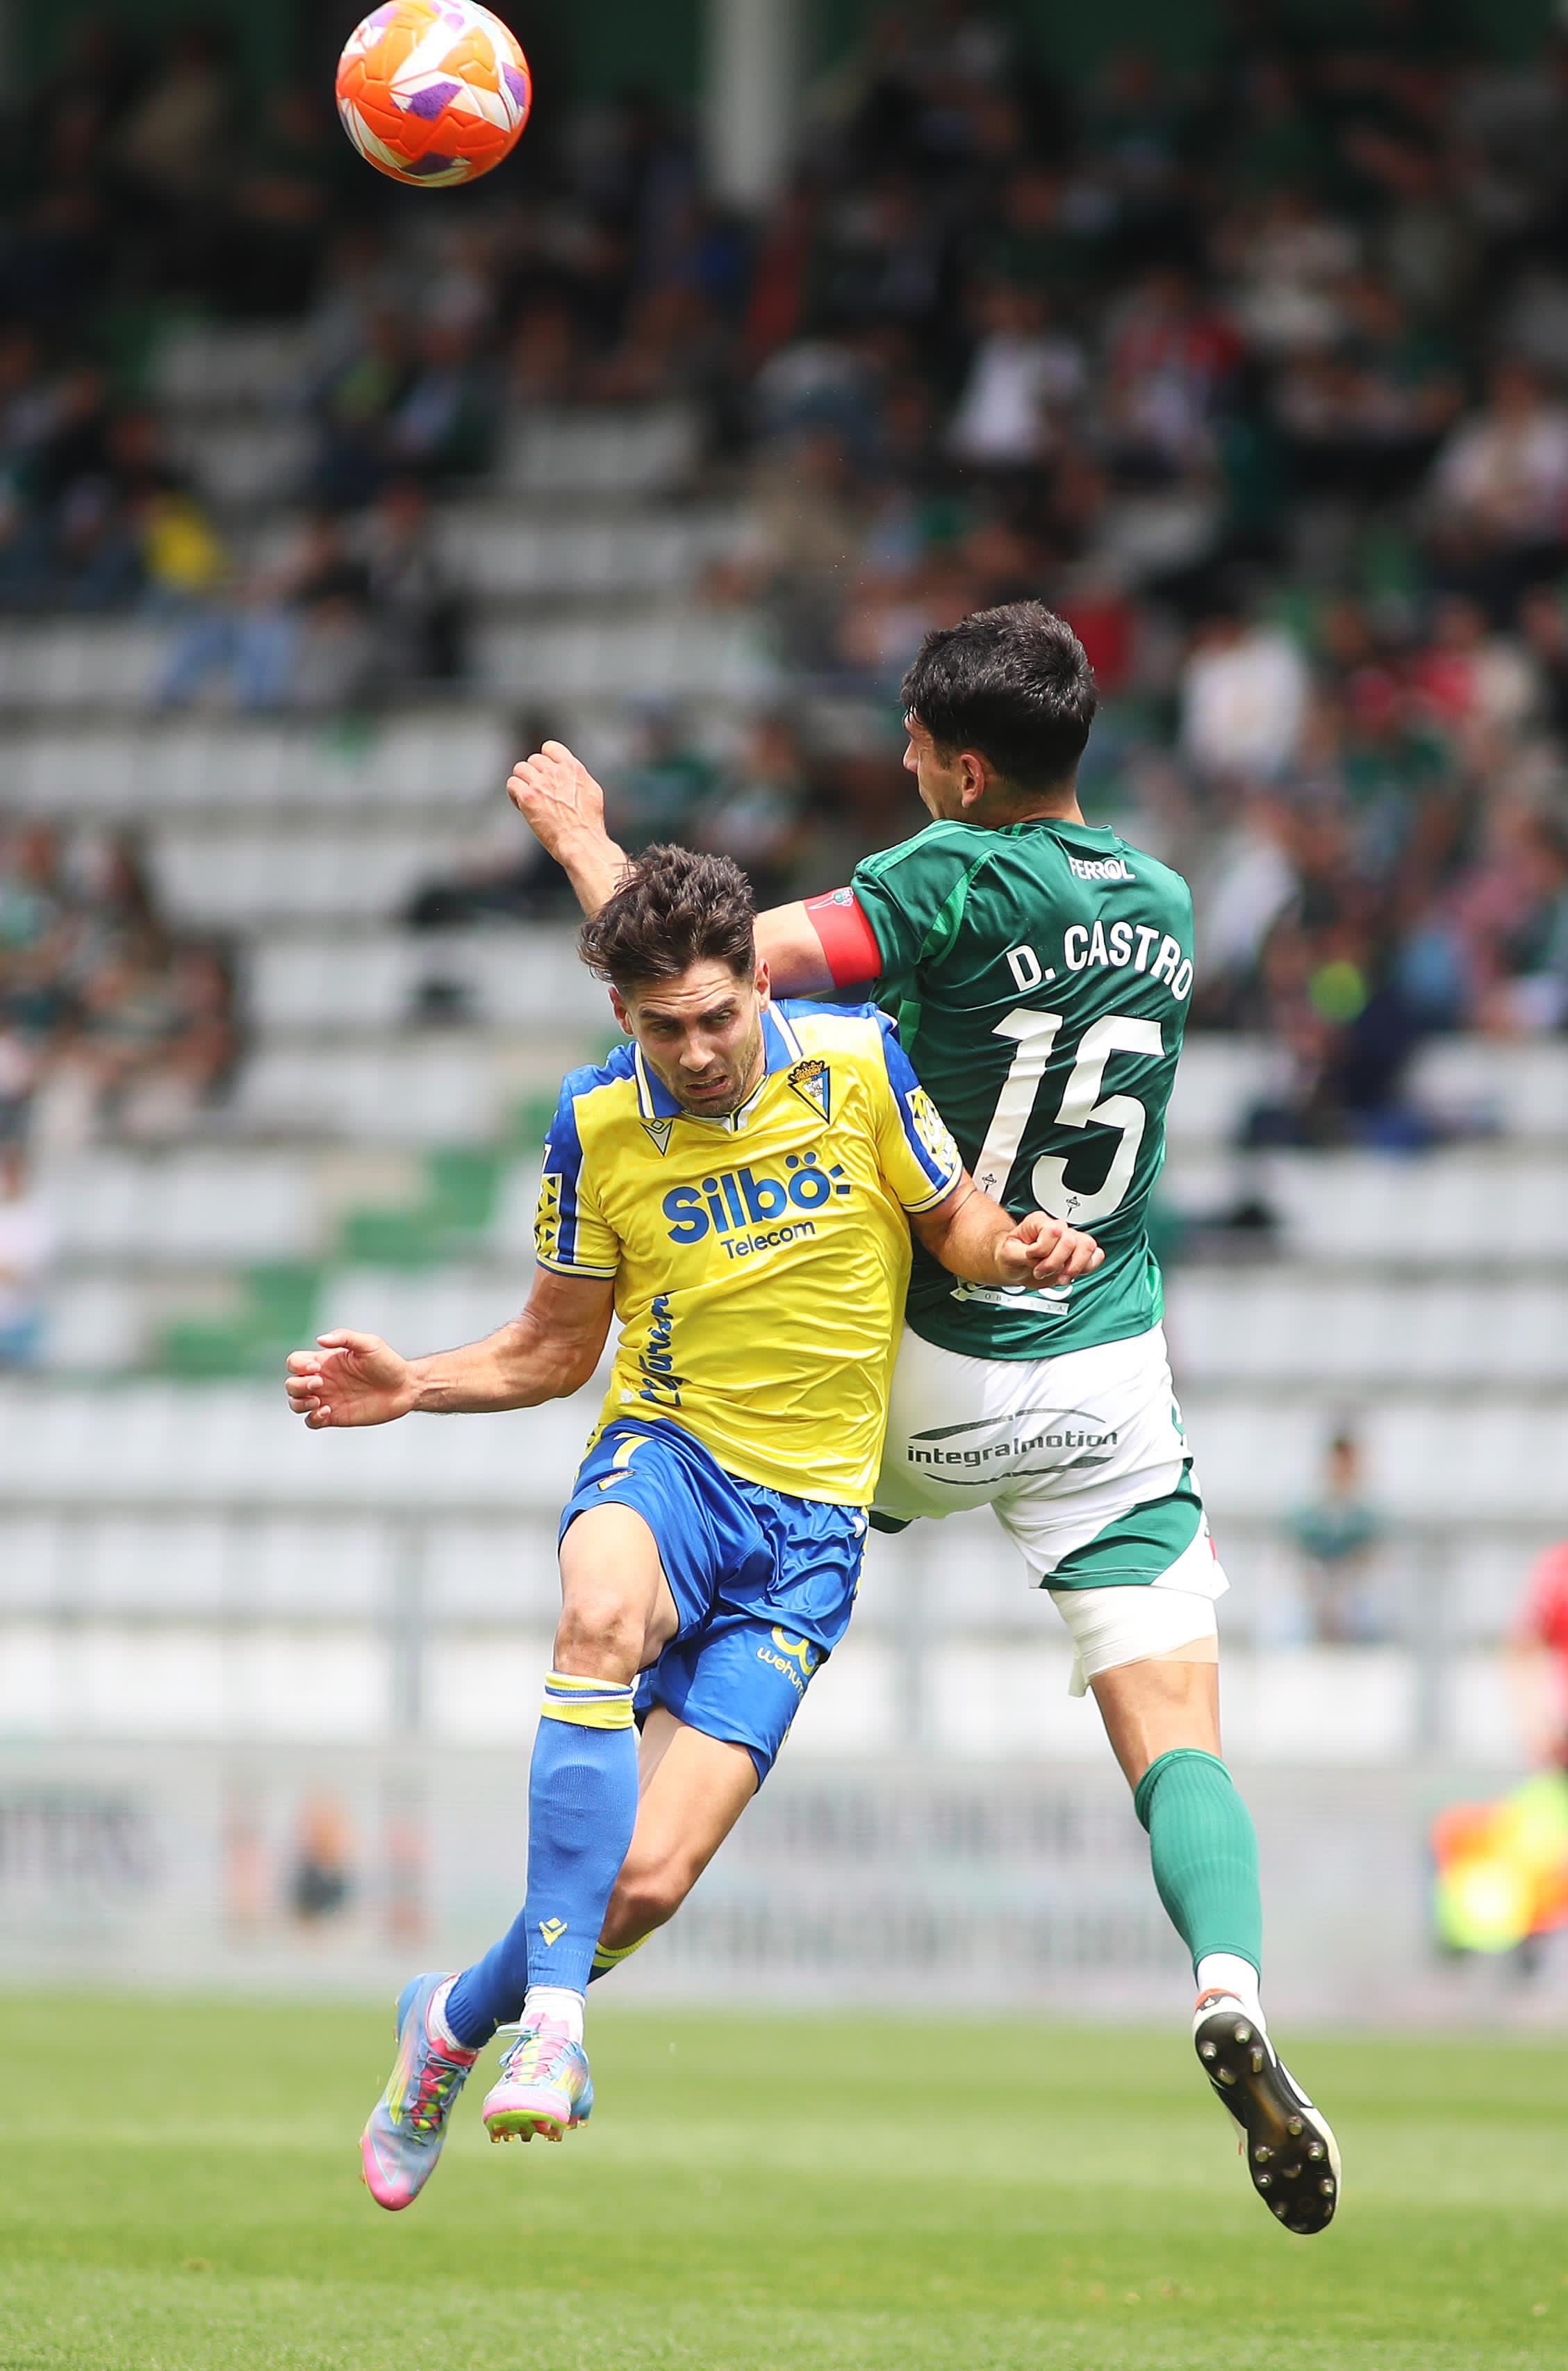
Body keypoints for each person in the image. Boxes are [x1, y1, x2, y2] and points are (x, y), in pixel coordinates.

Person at [509, 601, 1342, 2236]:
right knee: (1175, 1728)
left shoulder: (944, 877)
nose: (898, 768)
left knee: (668, 1674)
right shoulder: (1167, 905)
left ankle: (521, 1989)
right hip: (1098, 1369)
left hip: (897, 1374)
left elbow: (710, 999)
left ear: (963, 769)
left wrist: (586, 841)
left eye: (909, 748)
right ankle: (1227, 1977)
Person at [285, 843, 1100, 2210]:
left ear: (760, 985)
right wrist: (416, 1380)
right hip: (669, 1455)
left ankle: (450, 2023)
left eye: (718, 1014)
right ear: (623, 1020)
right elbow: (555, 1349)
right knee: (598, 1611)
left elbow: (949, 1222)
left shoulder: (855, 1061)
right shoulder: (597, 1120)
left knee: (646, 1881)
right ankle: (556, 2021)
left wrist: (1010, 1247)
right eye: (662, 1025)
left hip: (810, 1526)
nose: (698, 1048)